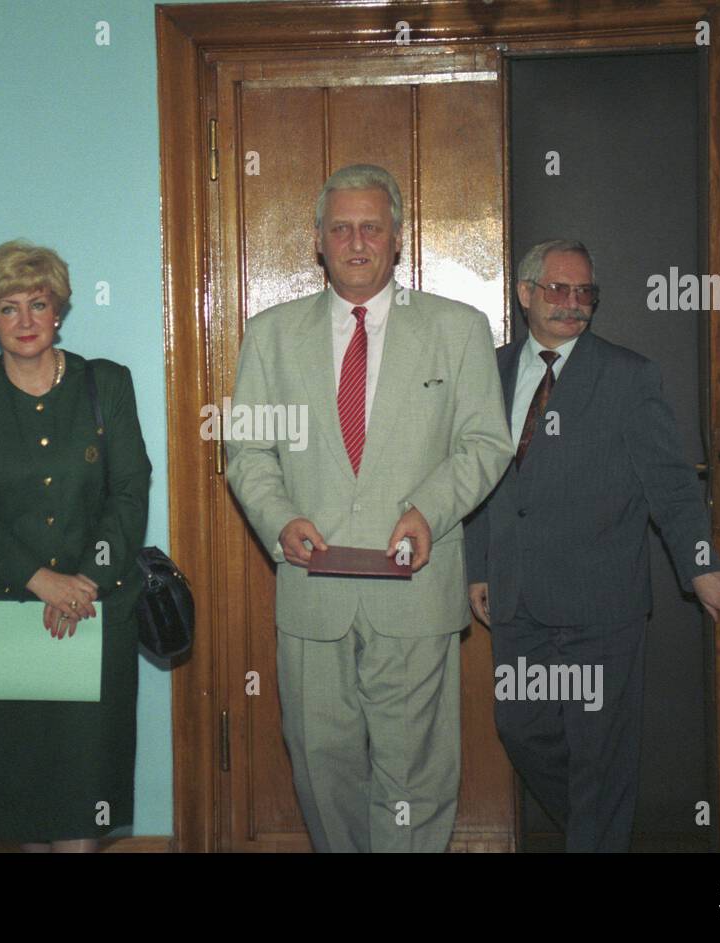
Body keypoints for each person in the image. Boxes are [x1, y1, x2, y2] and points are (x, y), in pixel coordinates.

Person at [225, 164, 514, 852]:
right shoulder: (271, 334)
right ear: (318, 241)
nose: (357, 242)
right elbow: (249, 454)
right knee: (323, 769)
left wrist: (429, 510)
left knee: (415, 774)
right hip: (312, 592)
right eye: (341, 228)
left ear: (397, 237)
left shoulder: (457, 328)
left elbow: (486, 443)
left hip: (414, 589)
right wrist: (279, 520)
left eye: (371, 227)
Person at [463, 239, 720, 852]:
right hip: (517, 603)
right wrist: (476, 567)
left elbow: (669, 485)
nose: (573, 303)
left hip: (602, 604)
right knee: (521, 730)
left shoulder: (629, 376)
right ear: (524, 294)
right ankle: (595, 833)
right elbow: (476, 478)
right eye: (558, 290)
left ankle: (596, 840)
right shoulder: (488, 370)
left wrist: (700, 567)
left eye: (584, 292)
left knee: (602, 755)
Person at [0, 240, 151, 852]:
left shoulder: (106, 384)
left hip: (95, 614)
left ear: (59, 311)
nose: (25, 321)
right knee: (23, 808)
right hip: (5, 618)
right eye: (8, 307)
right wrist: (41, 581)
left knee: (83, 807)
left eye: (38, 303)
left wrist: (83, 583)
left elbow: (130, 493)